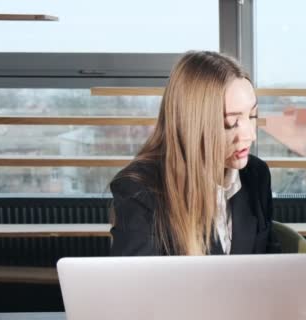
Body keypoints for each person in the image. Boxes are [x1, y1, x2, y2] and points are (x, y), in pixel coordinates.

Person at [109, 51, 280, 256]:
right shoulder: (140, 191)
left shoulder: (256, 174)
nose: (251, 135)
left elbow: (269, 259)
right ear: (193, 125)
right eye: (232, 122)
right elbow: (136, 284)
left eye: (252, 115)